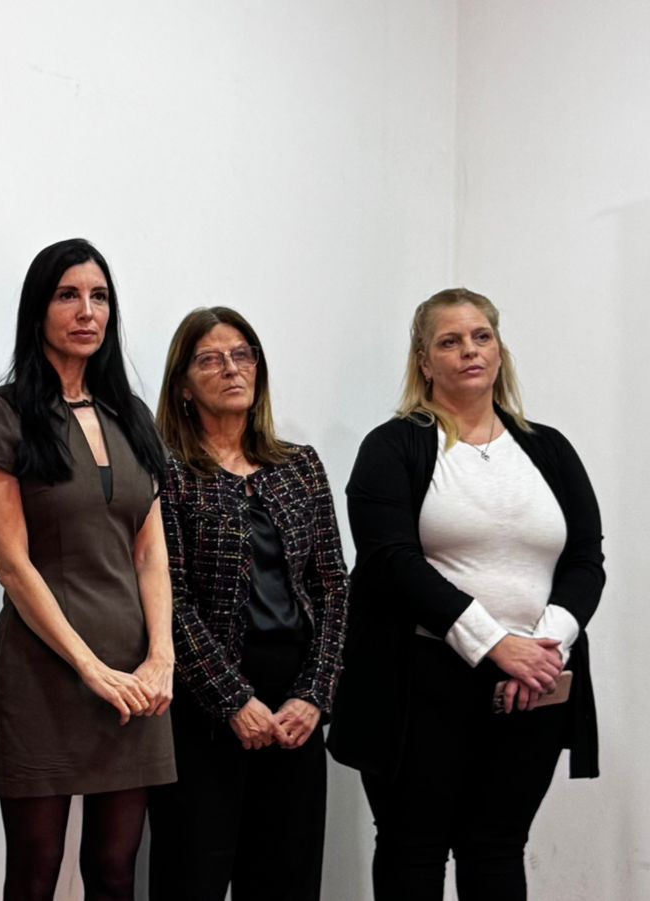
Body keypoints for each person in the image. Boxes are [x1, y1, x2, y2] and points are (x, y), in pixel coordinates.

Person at [329, 288, 605, 900]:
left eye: (482, 337)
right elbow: (390, 562)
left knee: (498, 846)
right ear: (424, 361)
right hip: (420, 683)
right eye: (449, 342)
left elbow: (587, 559)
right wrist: (496, 645)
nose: (469, 351)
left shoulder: (549, 449)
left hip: (532, 686)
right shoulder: (392, 446)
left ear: (500, 349)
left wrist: (543, 649)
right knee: (413, 849)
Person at [0, 238, 175, 901]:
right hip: (45, 671)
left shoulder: (133, 416)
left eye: (99, 296)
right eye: (68, 295)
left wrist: (161, 657)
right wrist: (89, 666)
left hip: (136, 675)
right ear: (38, 308)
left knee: (115, 870)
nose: (87, 311)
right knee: (35, 870)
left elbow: (150, 552)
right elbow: (12, 566)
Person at [144, 307, 349, 901]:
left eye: (242, 355)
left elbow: (333, 585)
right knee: (193, 875)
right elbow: (169, 593)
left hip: (295, 700)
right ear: (184, 385)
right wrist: (232, 700)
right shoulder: (167, 471)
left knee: (287, 876)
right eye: (210, 359)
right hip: (202, 707)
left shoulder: (300, 466)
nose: (231, 369)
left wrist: (315, 695)